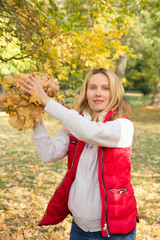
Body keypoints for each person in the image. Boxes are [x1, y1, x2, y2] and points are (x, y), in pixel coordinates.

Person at [20, 68, 139, 240]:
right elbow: (48, 154)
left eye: (105, 88)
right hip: (80, 229)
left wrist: (47, 102)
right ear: (85, 92)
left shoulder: (122, 127)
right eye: (93, 87)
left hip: (113, 230)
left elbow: (90, 132)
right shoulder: (76, 124)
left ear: (115, 92)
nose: (98, 93)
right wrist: (35, 118)